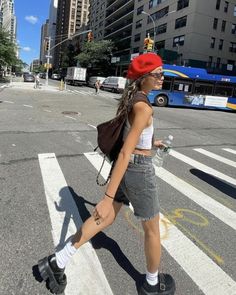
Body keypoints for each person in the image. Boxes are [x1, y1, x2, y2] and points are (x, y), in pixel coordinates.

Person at [37, 53, 176, 295]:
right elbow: (124, 153)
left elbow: (130, 140)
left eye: (162, 73)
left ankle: (57, 262)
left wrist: (153, 143)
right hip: (138, 170)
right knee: (152, 230)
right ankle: (152, 284)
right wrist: (108, 197)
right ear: (145, 76)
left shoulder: (134, 99)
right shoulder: (143, 107)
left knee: (106, 219)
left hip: (128, 168)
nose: (162, 78)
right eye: (158, 73)